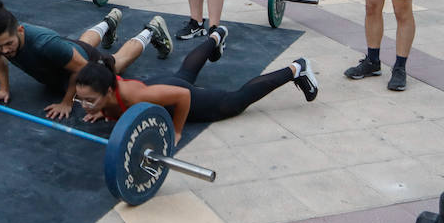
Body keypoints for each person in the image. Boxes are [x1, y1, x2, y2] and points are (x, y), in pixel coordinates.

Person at [73, 43, 318, 144]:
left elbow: (183, 97)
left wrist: (177, 130)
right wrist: (100, 108)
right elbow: (97, 95)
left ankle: (296, 69)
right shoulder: (101, 82)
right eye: (81, 100)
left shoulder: (135, 97)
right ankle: (214, 38)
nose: (84, 105)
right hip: (160, 85)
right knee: (184, 73)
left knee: (234, 101)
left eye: (89, 100)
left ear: (108, 92)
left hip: (172, 97)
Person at [0, 0, 173, 120]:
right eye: (0, 45)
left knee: (117, 62)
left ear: (20, 30)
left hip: (88, 62)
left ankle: (152, 30)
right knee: (78, 46)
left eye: (8, 44)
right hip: (68, 54)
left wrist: (68, 102)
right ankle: (109, 23)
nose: (4, 50)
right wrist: (3, 89)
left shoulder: (44, 44)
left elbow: (83, 69)